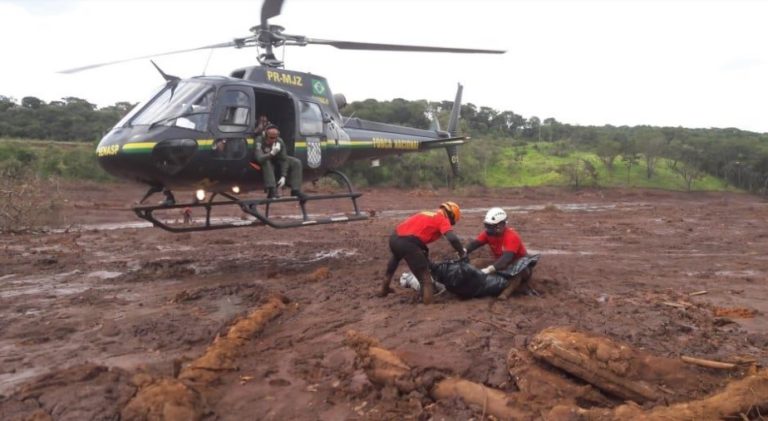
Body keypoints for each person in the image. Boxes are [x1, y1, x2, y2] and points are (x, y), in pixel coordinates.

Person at [380, 201, 466, 304]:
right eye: (452, 222)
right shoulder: (442, 219)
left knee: (394, 260)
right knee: (425, 277)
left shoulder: (427, 213)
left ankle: (384, 289)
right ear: (451, 216)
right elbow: (452, 238)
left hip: (395, 238)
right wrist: (461, 252)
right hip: (408, 243)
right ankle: (428, 303)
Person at [465, 207, 534, 299]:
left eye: (491, 226)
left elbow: (507, 258)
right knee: (476, 262)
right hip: (501, 263)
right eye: (487, 226)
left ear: (501, 225)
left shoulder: (512, 236)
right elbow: (475, 244)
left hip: (518, 266)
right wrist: (464, 251)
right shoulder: (488, 234)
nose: (488, 229)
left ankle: (505, 294)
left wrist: (489, 269)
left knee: (516, 273)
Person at [254, 124, 307, 201]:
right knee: (267, 162)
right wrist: (271, 153)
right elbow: (259, 158)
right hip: (263, 162)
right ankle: (272, 189)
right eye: (271, 138)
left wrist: (283, 176)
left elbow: (283, 159)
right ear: (266, 135)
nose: (273, 140)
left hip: (276, 160)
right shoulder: (259, 140)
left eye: (275, 138)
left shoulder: (279, 141)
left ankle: (295, 190)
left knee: (296, 162)